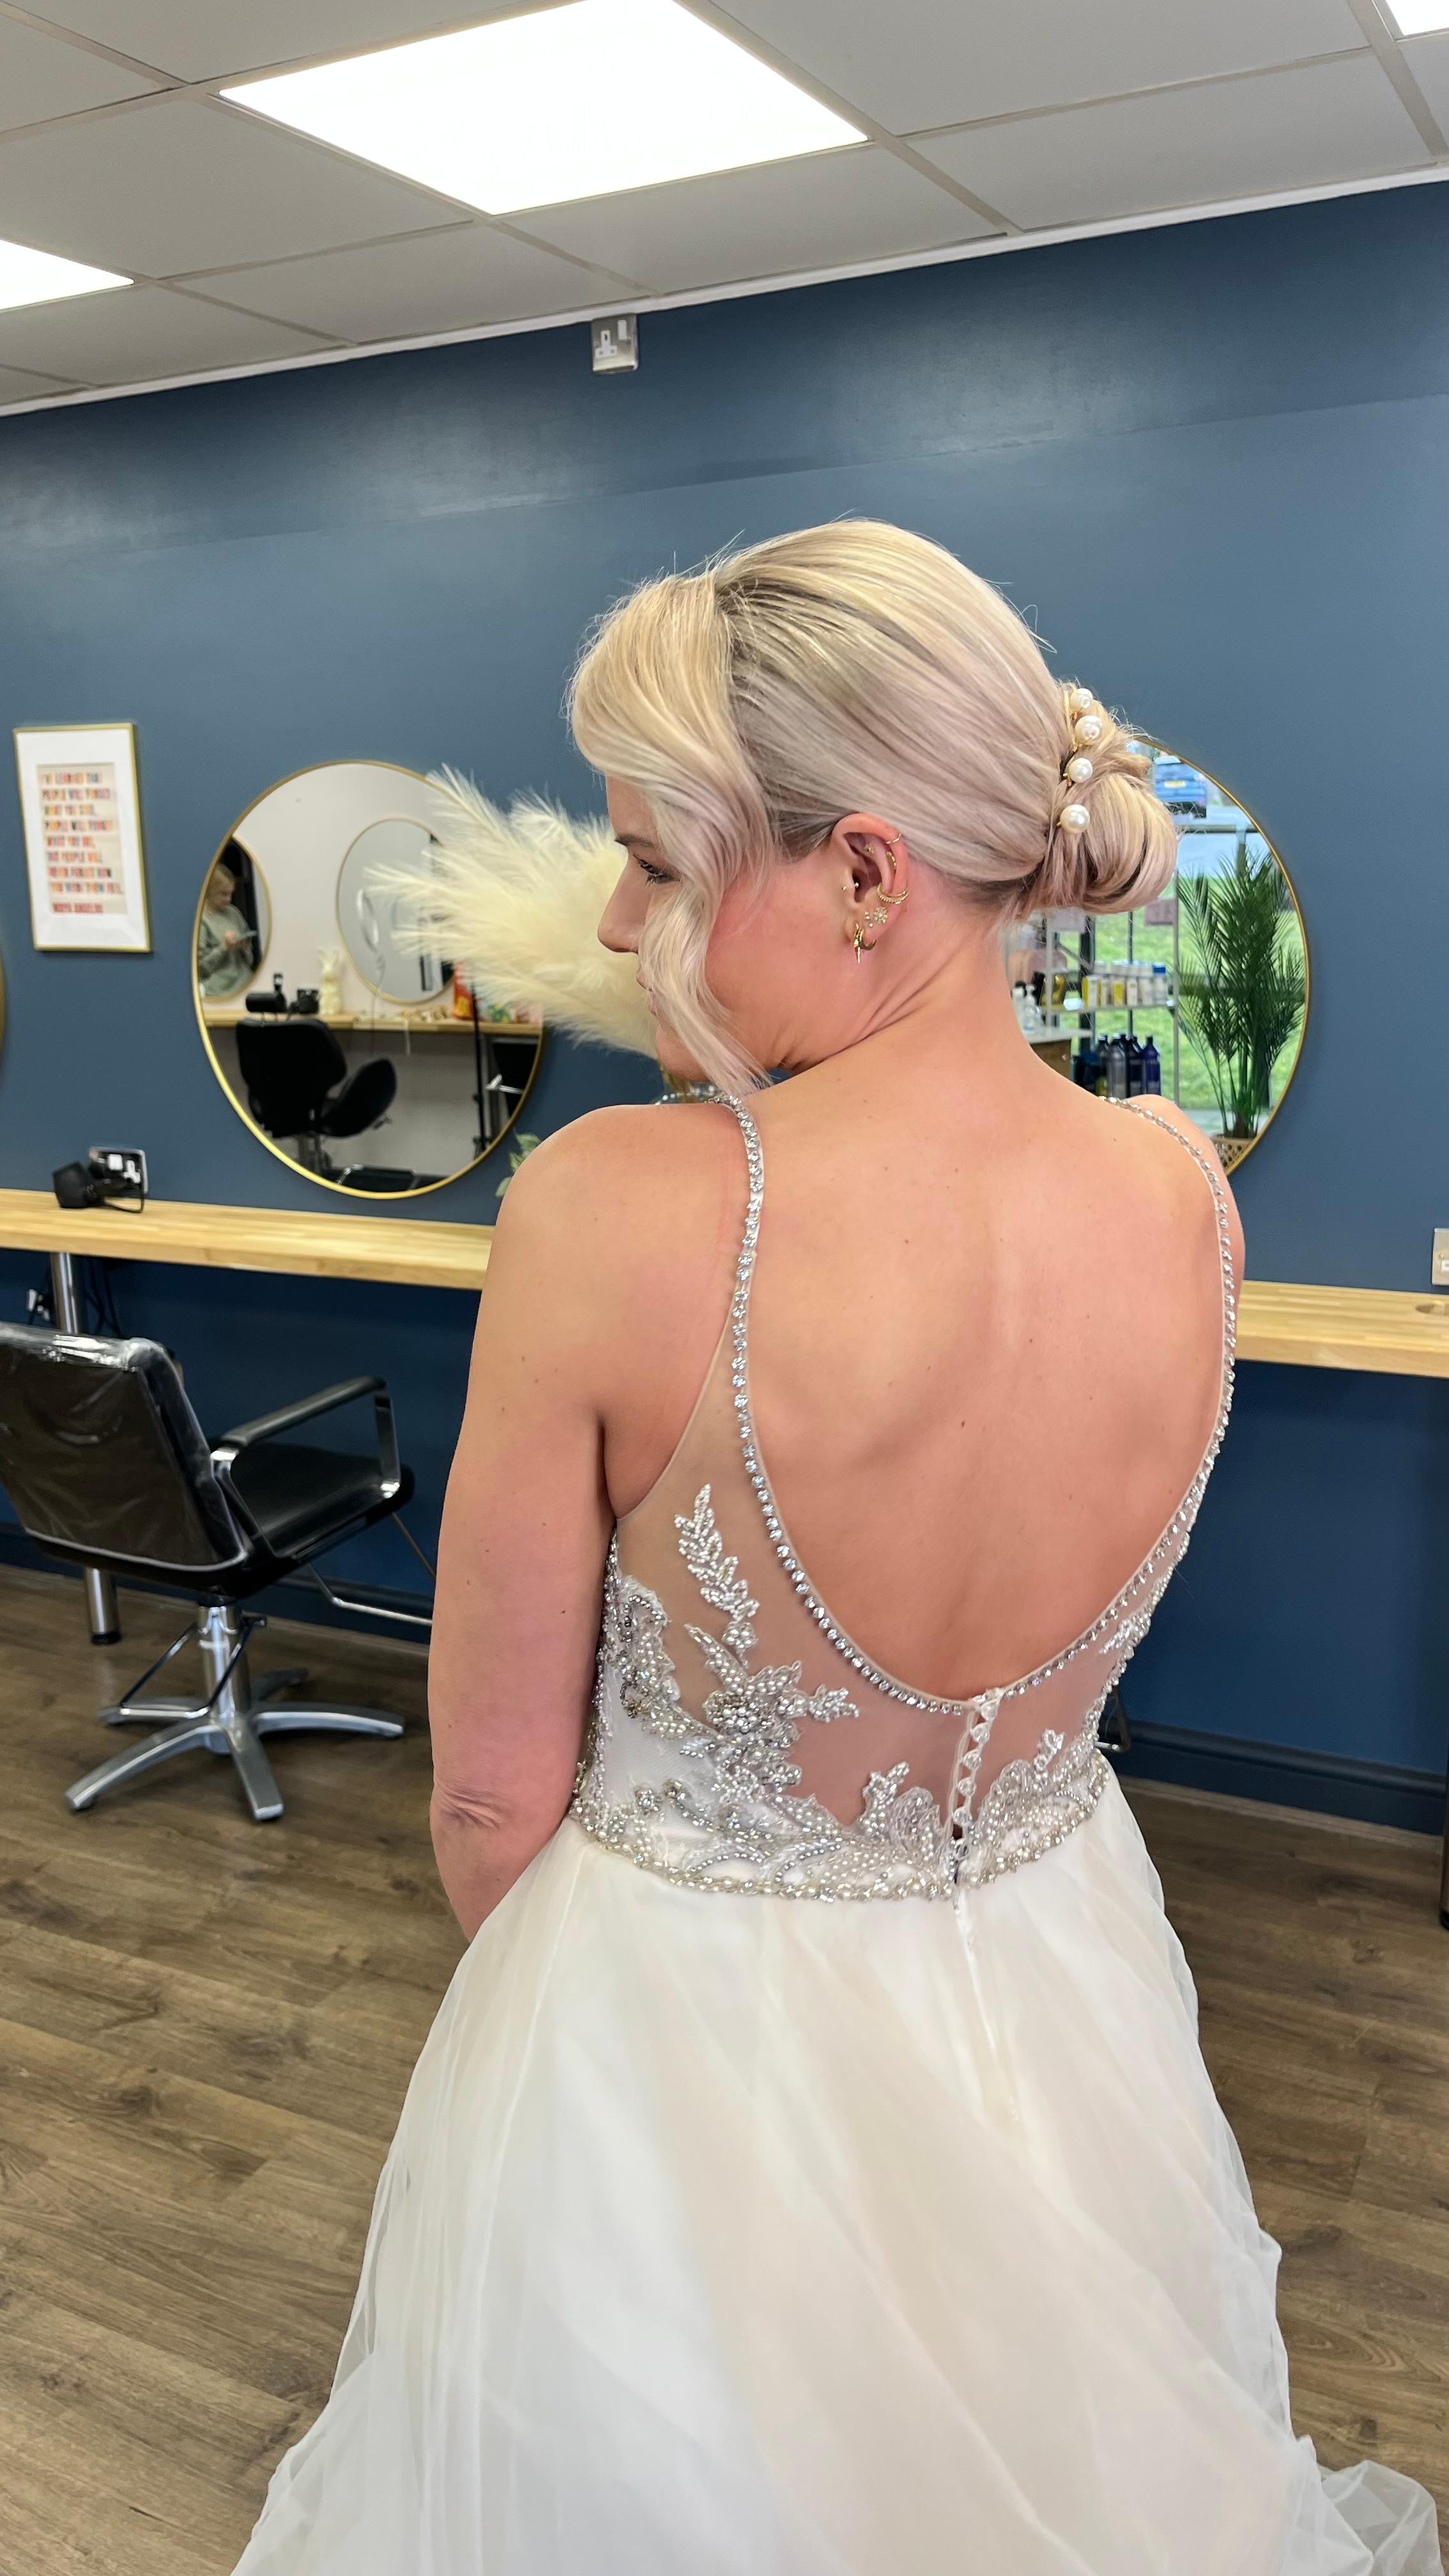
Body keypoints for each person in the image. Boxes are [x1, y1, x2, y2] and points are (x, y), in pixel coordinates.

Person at [233, 523, 1440, 2574]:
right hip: (1058, 1990)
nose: (618, 918)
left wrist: (564, 2098)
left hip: (682, 2031)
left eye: (659, 862)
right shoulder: (1180, 1192)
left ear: (867, 874)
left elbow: (491, 1798)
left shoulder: (614, 1208)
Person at [197, 853, 258, 998]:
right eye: (224, 894)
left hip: (246, 984)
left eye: (231, 894)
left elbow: (250, 960)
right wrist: (223, 948)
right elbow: (200, 969)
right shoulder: (202, 921)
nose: (229, 899)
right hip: (219, 991)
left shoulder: (233, 913)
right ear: (209, 891)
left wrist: (245, 948)